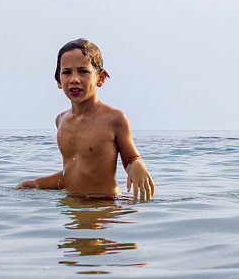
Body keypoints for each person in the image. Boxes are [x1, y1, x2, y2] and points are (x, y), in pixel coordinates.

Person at [18, 38, 155, 200]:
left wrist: (137, 164)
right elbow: (74, 173)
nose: (74, 79)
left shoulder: (114, 118)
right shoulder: (61, 120)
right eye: (67, 72)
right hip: (72, 207)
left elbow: (130, 158)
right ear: (58, 81)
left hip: (104, 207)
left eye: (83, 71)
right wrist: (36, 184)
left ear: (101, 78)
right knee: (22, 188)